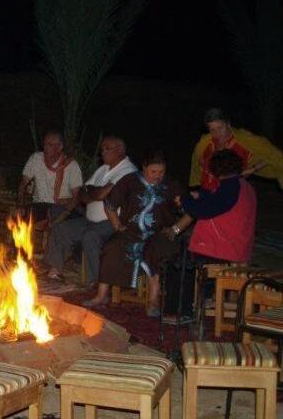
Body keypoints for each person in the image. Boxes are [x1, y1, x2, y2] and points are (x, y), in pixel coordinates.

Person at [86, 150, 184, 316]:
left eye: (161, 172)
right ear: (144, 167)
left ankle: (153, 300)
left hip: (159, 233)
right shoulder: (130, 181)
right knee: (112, 247)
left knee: (156, 251)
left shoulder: (171, 185)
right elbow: (110, 205)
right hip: (131, 231)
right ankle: (101, 295)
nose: (157, 176)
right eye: (153, 172)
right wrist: (117, 225)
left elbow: (191, 211)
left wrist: (176, 229)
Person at [163, 149, 258, 317]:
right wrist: (199, 195)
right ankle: (201, 299)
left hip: (223, 249)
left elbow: (206, 210)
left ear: (215, 170)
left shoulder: (231, 187)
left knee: (180, 262)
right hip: (236, 247)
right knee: (184, 252)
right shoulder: (244, 186)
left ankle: (181, 310)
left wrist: (185, 200)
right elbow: (216, 202)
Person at [43, 136, 137, 285]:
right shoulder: (103, 169)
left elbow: (99, 194)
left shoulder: (128, 171)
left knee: (90, 236)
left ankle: (98, 282)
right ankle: (55, 271)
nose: (103, 153)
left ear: (120, 150)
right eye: (102, 149)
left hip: (111, 223)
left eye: (108, 149)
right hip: (90, 220)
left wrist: (93, 192)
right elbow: (83, 194)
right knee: (60, 229)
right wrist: (96, 192)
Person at [190, 107, 283, 191]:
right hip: (206, 193)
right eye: (212, 130)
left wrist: (254, 168)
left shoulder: (244, 141)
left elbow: (274, 154)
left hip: (230, 195)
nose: (217, 133)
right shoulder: (204, 144)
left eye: (220, 128)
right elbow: (197, 167)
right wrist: (196, 188)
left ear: (228, 124)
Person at [17, 130, 83, 222]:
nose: (45, 148)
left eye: (50, 145)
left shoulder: (72, 165)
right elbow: (23, 184)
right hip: (40, 206)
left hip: (61, 207)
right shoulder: (36, 159)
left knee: (74, 223)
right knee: (19, 217)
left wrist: (65, 213)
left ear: (60, 147)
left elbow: (76, 196)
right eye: (45, 144)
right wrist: (20, 205)